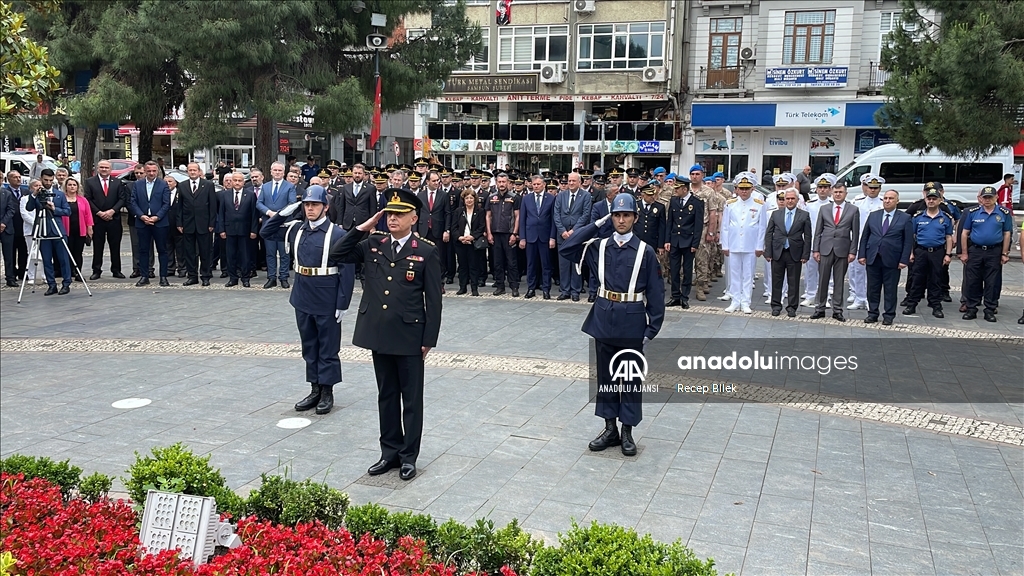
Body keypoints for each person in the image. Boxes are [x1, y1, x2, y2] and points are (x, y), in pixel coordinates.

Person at [329, 188, 442, 481]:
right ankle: (389, 452)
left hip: (409, 335)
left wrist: (429, 339)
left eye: (399, 214)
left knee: (411, 399)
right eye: (390, 213)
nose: (393, 218)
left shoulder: (426, 251)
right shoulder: (373, 244)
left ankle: (408, 456)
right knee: (386, 395)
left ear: (413, 218)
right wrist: (361, 228)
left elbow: (434, 300)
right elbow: (337, 253)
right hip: (378, 333)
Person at [558, 193, 665, 456]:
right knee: (606, 378)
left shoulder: (645, 251)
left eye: (626, 215)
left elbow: (656, 293)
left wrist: (652, 330)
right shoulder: (598, 246)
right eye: (616, 215)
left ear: (635, 218)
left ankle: (627, 430)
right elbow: (568, 247)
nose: (621, 220)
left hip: (632, 321)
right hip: (604, 318)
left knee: (629, 379)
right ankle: (610, 429)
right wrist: (595, 224)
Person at [261, 185, 356, 414]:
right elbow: (266, 232)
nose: (310, 209)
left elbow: (347, 270)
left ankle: (327, 391)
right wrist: (286, 211)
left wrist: (343, 303)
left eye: (314, 204)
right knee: (309, 346)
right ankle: (314, 388)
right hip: (303, 295)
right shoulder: (296, 229)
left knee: (328, 347)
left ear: (325, 207)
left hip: (327, 296)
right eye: (306, 205)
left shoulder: (337, 234)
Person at [858, 190, 913, 325]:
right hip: (873, 257)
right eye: (885, 198)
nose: (887, 201)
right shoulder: (874, 216)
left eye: (891, 198)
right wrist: (862, 254)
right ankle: (872, 313)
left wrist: (903, 259)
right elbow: (865, 236)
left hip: (892, 259)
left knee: (890, 289)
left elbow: (908, 241)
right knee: (872, 288)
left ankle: (888, 315)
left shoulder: (905, 218)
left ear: (897, 201)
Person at [960, 186, 1013, 322]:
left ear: (996, 198)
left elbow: (1007, 234)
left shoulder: (1004, 213)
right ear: (981, 198)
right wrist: (964, 252)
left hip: (994, 251)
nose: (987, 199)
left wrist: (1005, 253)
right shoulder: (973, 212)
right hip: (975, 251)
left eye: (990, 197)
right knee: (972, 280)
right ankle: (971, 308)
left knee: (992, 281)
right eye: (985, 197)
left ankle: (989, 309)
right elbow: (965, 233)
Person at [810, 183, 860, 322]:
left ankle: (837, 310)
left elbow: (855, 233)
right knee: (823, 279)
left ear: (846, 193)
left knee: (839, 282)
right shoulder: (824, 209)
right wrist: (816, 249)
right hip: (825, 248)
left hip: (843, 249)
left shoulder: (853, 209)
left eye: (841, 192)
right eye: (836, 192)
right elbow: (818, 231)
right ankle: (819, 308)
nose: (838, 194)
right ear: (832, 193)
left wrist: (852, 252)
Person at [904, 188, 954, 318]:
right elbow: (911, 236)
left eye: (934, 199)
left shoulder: (945, 218)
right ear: (925, 200)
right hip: (921, 251)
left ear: (940, 200)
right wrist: (910, 253)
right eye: (929, 198)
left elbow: (949, 237)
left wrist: (948, 254)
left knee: (936, 279)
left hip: (938, 252)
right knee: (917, 278)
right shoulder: (918, 217)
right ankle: (912, 304)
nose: (931, 201)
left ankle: (936, 305)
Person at [721, 173, 766, 314]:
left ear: (752, 189)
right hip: (734, 244)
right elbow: (725, 226)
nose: (744, 191)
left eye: (747, 188)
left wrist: (760, 246)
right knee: (734, 274)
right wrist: (725, 245)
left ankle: (746, 302)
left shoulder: (759, 205)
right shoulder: (730, 204)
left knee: (748, 275)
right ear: (737, 189)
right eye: (741, 188)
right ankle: (735, 301)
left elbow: (762, 227)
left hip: (750, 245)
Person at [764, 190, 811, 317]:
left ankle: (792, 307)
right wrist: (768, 252)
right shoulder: (776, 214)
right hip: (778, 252)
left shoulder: (804, 215)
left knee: (794, 281)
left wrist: (805, 254)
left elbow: (807, 236)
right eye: (787, 199)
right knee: (776, 281)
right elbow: (769, 233)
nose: (790, 201)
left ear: (797, 200)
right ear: (784, 200)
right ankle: (776, 306)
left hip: (794, 252)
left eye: (792, 199)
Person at [24, 172, 73, 295]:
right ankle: (51, 284)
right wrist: (34, 195)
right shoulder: (36, 195)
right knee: (46, 259)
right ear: (41, 179)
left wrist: (54, 209)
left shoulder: (59, 194)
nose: (48, 182)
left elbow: (67, 211)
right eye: (46, 180)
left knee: (63, 259)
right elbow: (29, 208)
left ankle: (66, 283)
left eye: (51, 180)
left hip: (57, 230)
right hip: (43, 230)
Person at [82, 160, 128, 280]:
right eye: (101, 167)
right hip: (97, 219)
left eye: (106, 167)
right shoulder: (90, 182)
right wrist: (99, 212)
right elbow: (88, 199)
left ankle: (116, 270)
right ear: (97, 168)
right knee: (98, 246)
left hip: (114, 218)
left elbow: (122, 199)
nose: (104, 169)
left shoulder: (117, 182)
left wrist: (112, 211)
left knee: (115, 246)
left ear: (110, 169)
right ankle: (96, 270)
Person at [129, 161, 172, 287]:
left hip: (159, 222)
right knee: (143, 250)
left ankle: (163, 277)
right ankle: (144, 276)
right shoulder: (138, 184)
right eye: (149, 171)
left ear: (157, 171)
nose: (151, 173)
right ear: (145, 171)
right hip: (142, 222)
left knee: (162, 250)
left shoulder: (163, 184)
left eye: (154, 171)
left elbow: (166, 203)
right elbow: (133, 202)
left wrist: (157, 217)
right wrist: (141, 216)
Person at [665, 177, 704, 309]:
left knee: (687, 271)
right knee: (674, 270)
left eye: (677, 188)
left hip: (688, 241)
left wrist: (695, 244)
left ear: (685, 189)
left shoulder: (697, 202)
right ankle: (675, 296)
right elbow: (670, 222)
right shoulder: (674, 201)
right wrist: (667, 240)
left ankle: (684, 297)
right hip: (675, 240)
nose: (675, 190)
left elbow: (698, 225)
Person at [848, 174, 885, 310]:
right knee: (858, 272)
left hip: (876, 243)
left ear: (880, 189)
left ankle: (871, 299)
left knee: (873, 274)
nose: (873, 190)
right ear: (866, 188)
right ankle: (859, 298)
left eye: (876, 188)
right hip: (860, 241)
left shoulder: (882, 203)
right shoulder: (858, 202)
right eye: (870, 187)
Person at [176, 163, 218, 286]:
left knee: (205, 251)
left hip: (204, 224)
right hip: (188, 224)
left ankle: (205, 276)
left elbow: (212, 205)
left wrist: (212, 222)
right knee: (189, 252)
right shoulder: (182, 186)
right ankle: (192, 276)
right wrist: (179, 223)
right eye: (190, 170)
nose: (192, 172)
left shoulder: (208, 185)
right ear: (187, 172)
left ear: (199, 171)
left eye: (195, 170)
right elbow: (179, 207)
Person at [257, 162, 297, 289]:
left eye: (280, 170)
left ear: (283, 172)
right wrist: (269, 212)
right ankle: (271, 277)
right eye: (275, 170)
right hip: (269, 224)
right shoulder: (265, 187)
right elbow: (259, 203)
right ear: (271, 171)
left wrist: (279, 215)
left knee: (284, 253)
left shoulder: (289, 186)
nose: (277, 172)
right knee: (270, 253)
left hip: (283, 225)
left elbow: (292, 203)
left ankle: (284, 277)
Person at [554, 172, 592, 301]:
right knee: (563, 264)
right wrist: (562, 231)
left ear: (579, 182)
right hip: (562, 235)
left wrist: (574, 231)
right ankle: (565, 290)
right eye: (569, 181)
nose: (570, 183)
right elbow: (556, 215)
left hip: (577, 235)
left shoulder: (586, 196)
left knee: (576, 264)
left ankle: (575, 291)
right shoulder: (560, 195)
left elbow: (585, 215)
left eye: (573, 181)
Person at [218, 173, 260, 287]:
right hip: (229, 230)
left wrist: (254, 230)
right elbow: (221, 213)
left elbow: (254, 214)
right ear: (231, 181)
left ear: (243, 182)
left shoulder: (251, 195)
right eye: (235, 180)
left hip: (245, 230)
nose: (237, 183)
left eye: (239, 180)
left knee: (245, 255)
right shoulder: (225, 195)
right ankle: (233, 278)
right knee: (230, 255)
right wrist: (221, 229)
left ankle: (245, 278)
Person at [519, 175, 556, 299]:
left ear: (544, 185)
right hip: (530, 236)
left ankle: (546, 289)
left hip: (545, 236)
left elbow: (553, 219)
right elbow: (522, 219)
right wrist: (522, 237)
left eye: (538, 184)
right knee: (531, 264)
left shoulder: (551, 198)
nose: (535, 186)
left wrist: (552, 237)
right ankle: (531, 288)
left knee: (546, 264)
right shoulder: (526, 198)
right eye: (534, 184)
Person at [484, 172, 520, 297]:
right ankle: (500, 286)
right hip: (495, 233)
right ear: (496, 182)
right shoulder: (491, 197)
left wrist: (514, 233)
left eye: (504, 182)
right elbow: (488, 216)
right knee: (497, 262)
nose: (501, 184)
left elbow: (517, 216)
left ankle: (514, 286)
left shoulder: (514, 197)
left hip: (509, 234)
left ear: (508, 182)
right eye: (499, 182)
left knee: (511, 262)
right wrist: (489, 233)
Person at [801, 174, 835, 307]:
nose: (822, 190)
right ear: (816, 189)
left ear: (830, 189)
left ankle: (824, 297)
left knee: (826, 272)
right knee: (810, 271)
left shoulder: (833, 205)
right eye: (820, 187)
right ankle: (810, 295)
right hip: (811, 242)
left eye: (825, 187)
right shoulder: (810, 204)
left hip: (827, 242)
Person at [418, 171, 452, 291]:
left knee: (439, 258)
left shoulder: (443, 195)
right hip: (423, 231)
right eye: (434, 181)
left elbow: (448, 213)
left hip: (438, 231)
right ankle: (423, 282)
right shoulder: (420, 195)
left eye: (438, 180)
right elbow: (416, 214)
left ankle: (440, 283)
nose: (437, 182)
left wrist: (447, 230)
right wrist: (415, 230)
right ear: (427, 182)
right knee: (422, 258)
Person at [451, 189, 485, 296]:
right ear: (463, 200)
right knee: (462, 266)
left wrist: (472, 237)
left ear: (474, 199)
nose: (469, 200)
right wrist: (460, 237)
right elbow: (454, 227)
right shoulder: (458, 211)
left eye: (471, 198)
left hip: (473, 243)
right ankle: (462, 287)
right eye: (467, 198)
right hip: (461, 242)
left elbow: (481, 227)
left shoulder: (480, 211)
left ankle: (474, 288)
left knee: (473, 266)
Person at [59, 178, 94, 280]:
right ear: (66, 186)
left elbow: (88, 215)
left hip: (80, 230)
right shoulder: (62, 199)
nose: (72, 187)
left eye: (74, 185)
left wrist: (90, 227)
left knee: (78, 253)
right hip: (66, 230)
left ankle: (78, 272)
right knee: (67, 252)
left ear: (77, 187)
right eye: (69, 185)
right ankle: (68, 273)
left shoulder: (83, 200)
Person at [3, 171, 29, 281]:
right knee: (11, 252)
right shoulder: (5, 192)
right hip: (10, 226)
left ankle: (23, 272)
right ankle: (11, 273)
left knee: (24, 251)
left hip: (23, 226)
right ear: (8, 179)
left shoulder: (25, 191)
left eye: (19, 177)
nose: (18, 179)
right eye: (15, 177)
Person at [0, 182, 16, 286]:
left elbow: (11, 210)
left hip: (6, 227)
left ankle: (10, 278)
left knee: (9, 255)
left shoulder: (7, 193)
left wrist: (3, 223)